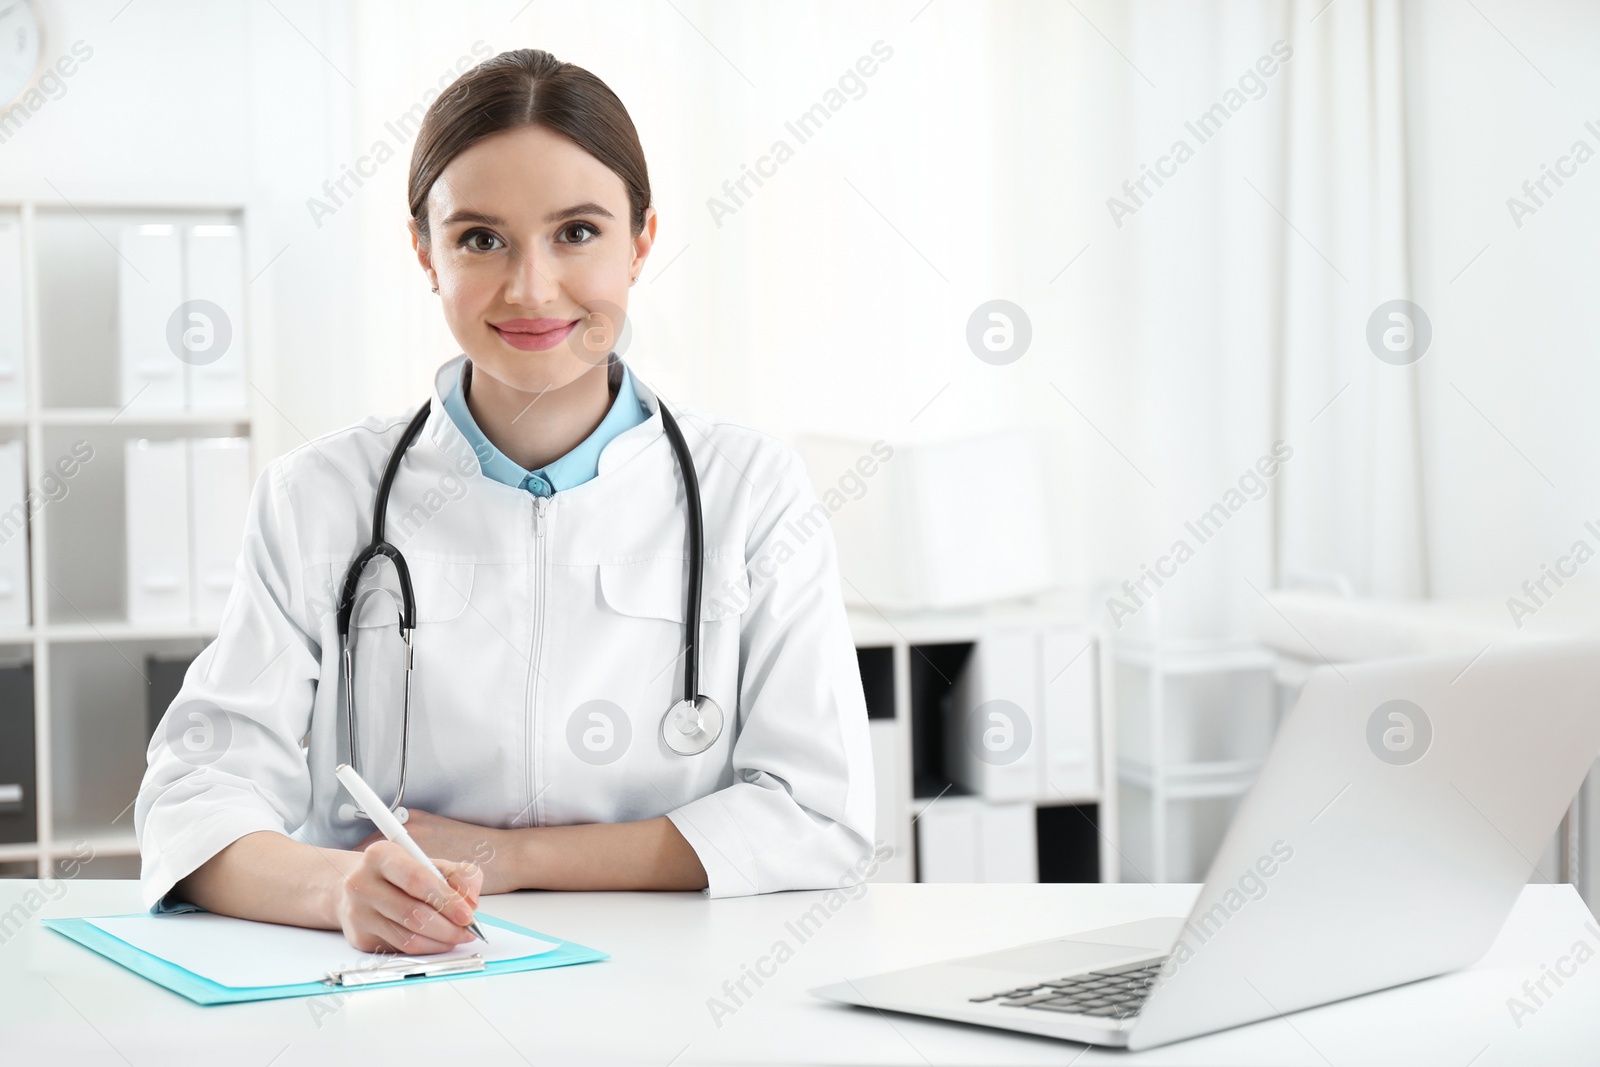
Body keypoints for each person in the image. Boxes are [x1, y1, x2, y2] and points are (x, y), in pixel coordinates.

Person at [134, 47, 876, 955]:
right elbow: (194, 796)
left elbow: (818, 815)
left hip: (674, 988)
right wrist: (343, 889)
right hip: (401, 985)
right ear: (425, 251)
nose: (531, 287)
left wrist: (515, 856)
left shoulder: (752, 490)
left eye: (577, 232)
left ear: (641, 241)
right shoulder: (318, 497)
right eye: (481, 239)